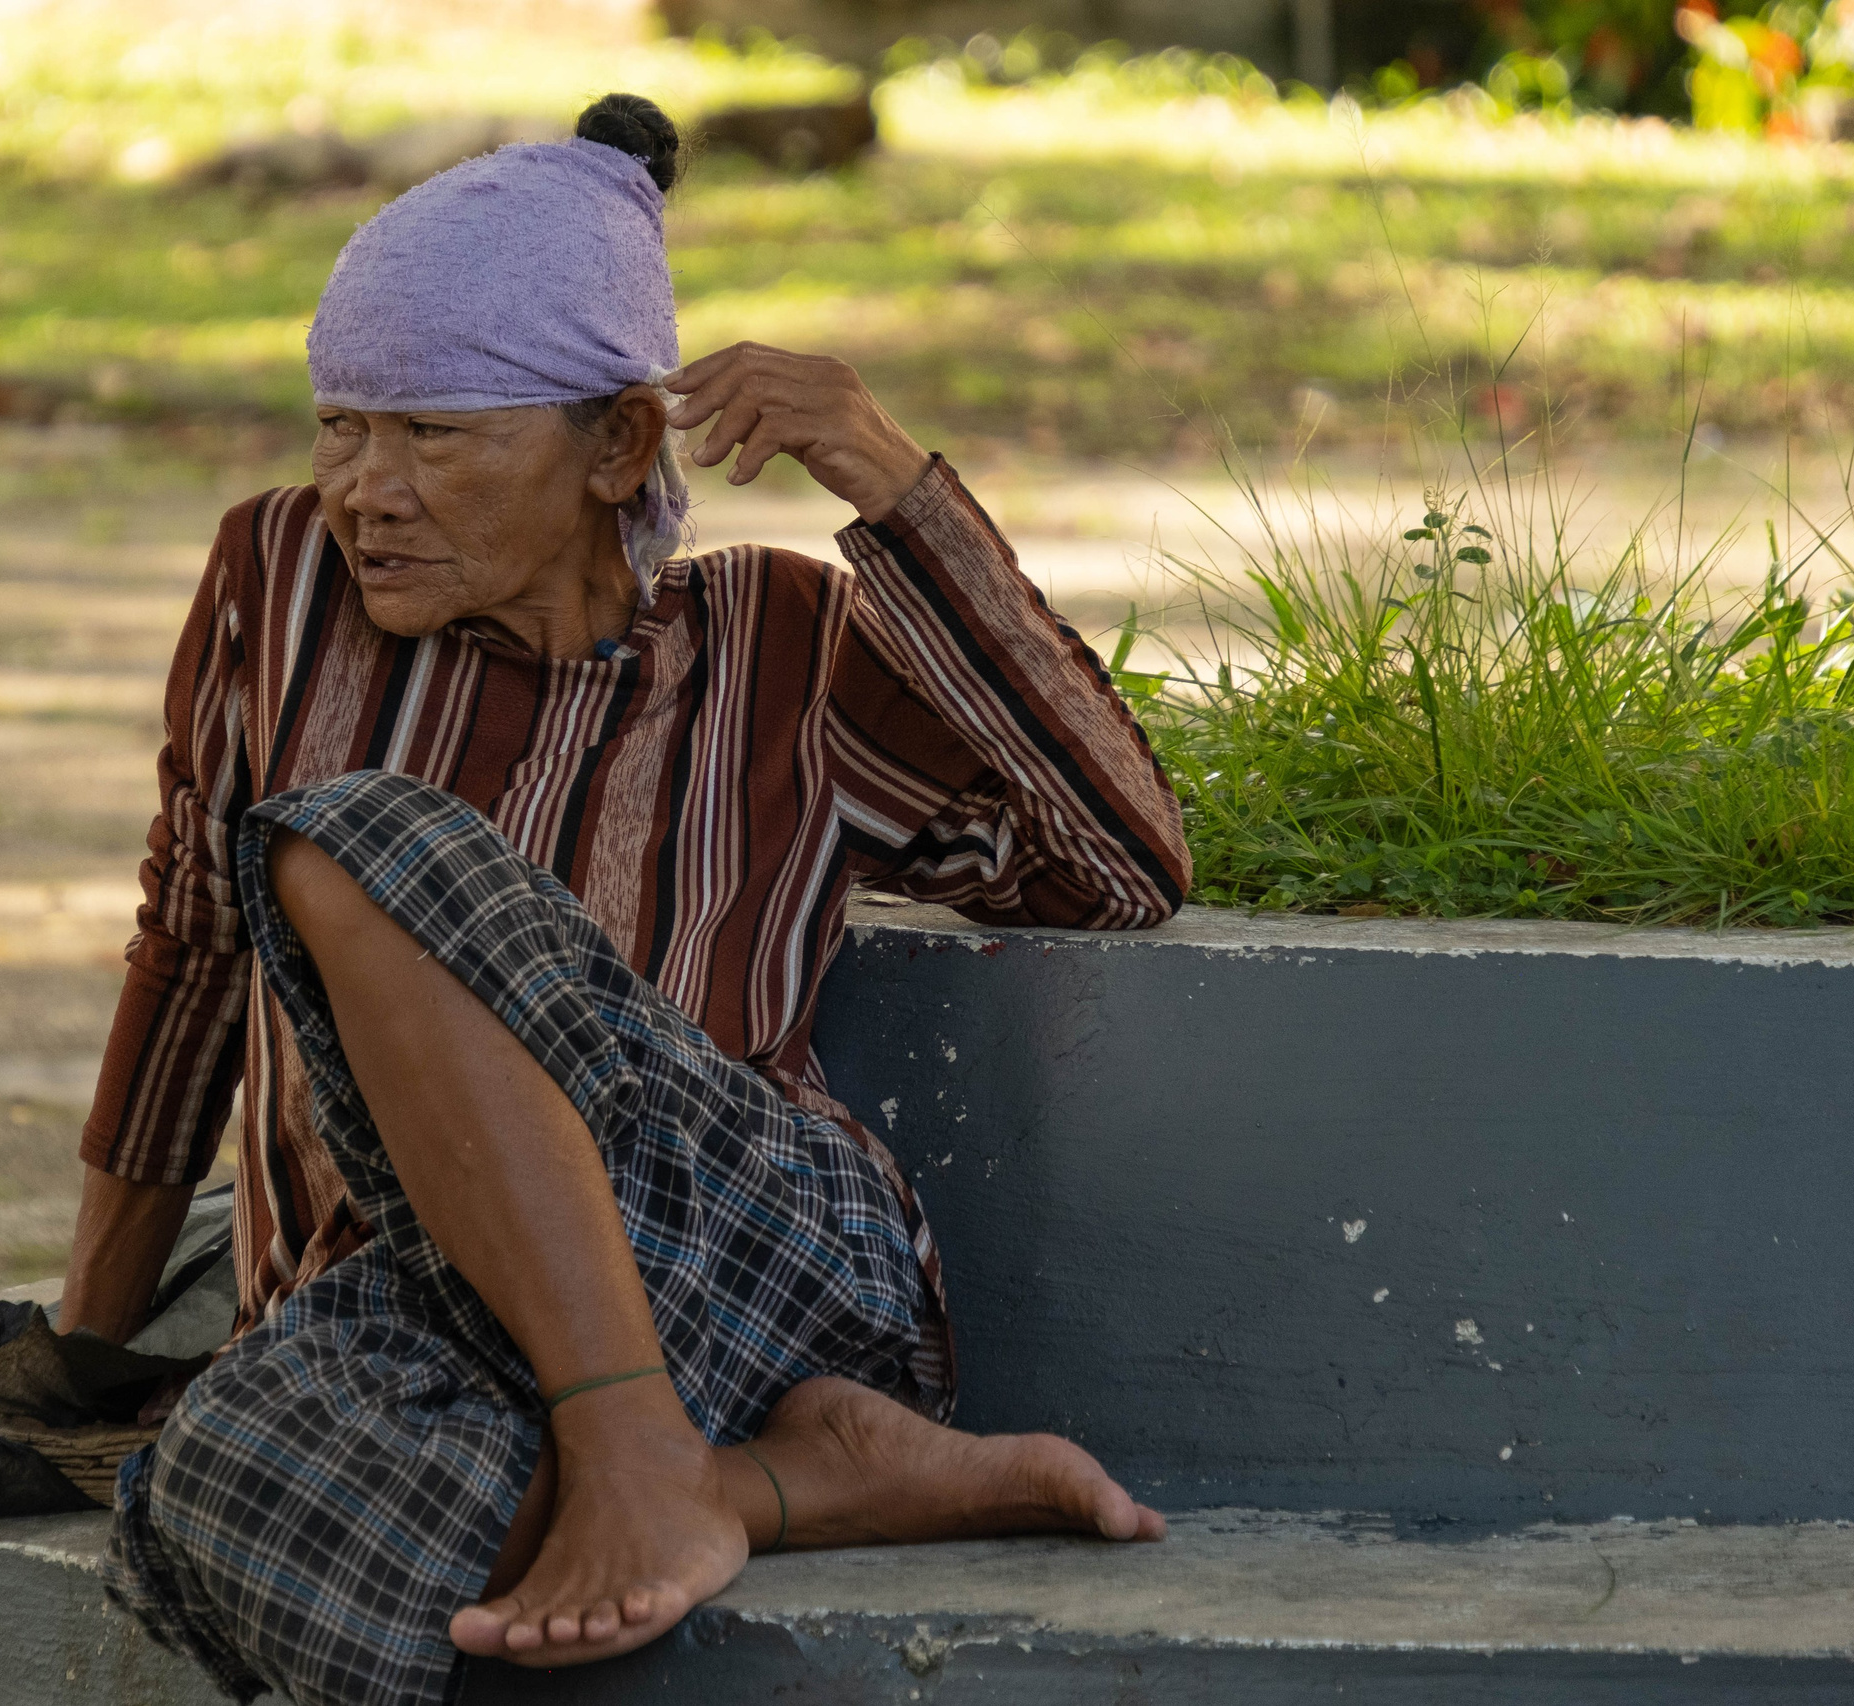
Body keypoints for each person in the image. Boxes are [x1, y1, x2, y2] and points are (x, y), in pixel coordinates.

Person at [59, 92, 1193, 1706]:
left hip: (746, 1251)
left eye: (433, 435)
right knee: (212, 1497)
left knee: (351, 841)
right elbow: (189, 949)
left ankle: (635, 1440)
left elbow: (1125, 860)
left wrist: (880, 469)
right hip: (418, 1307)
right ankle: (773, 1484)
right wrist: (90, 1340)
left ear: (618, 446)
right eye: (338, 427)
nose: (362, 489)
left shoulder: (781, 646)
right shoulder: (277, 581)